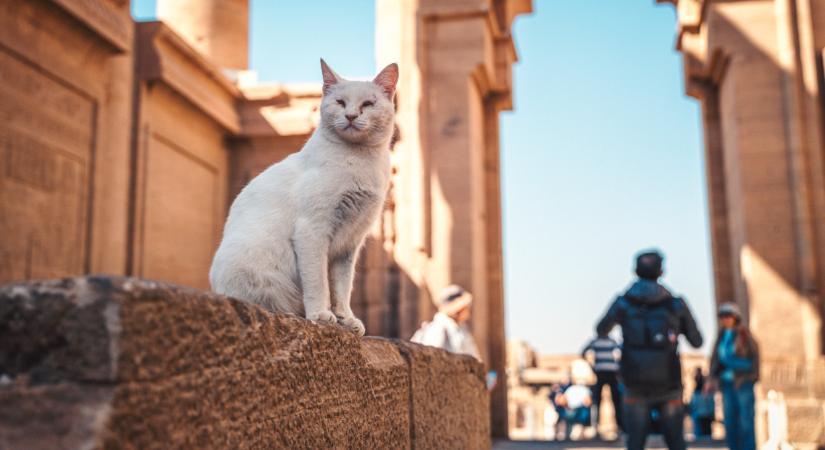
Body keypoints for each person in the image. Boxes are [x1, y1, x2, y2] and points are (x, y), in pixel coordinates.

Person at [596, 250, 703, 450]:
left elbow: (601, 329)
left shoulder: (623, 303)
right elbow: (697, 341)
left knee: (635, 442)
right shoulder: (676, 304)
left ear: (636, 271)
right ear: (661, 271)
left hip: (634, 381)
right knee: (676, 442)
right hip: (669, 382)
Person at [708, 302, 759, 450]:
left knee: (746, 422)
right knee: (730, 422)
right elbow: (716, 359)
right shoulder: (721, 336)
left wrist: (750, 376)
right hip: (726, 384)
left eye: (728, 316)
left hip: (743, 383)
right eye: (722, 316)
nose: (725, 319)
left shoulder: (744, 334)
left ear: (735, 317)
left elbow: (753, 359)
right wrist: (711, 378)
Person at [410, 284, 480, 359]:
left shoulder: (461, 328)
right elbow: (434, 360)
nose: (468, 310)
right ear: (458, 309)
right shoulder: (438, 329)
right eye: (466, 307)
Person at [581, 333, 623, 434]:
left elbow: (621, 352)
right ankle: (596, 426)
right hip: (601, 372)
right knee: (597, 400)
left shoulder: (611, 341)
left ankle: (619, 425)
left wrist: (617, 366)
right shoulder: (596, 341)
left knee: (615, 400)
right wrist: (592, 366)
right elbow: (583, 353)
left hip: (611, 373)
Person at [689, 368, 715, 438]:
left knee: (705, 432)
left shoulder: (704, 386)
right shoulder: (696, 388)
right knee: (700, 432)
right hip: (699, 412)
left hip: (704, 412)